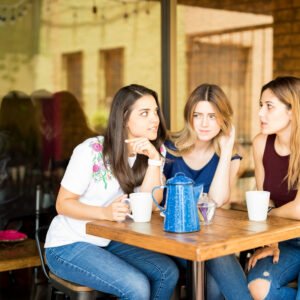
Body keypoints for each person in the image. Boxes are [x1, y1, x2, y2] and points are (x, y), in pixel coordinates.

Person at [44, 84, 179, 300]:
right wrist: (104, 213)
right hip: (69, 244)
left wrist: (154, 161)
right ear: (124, 118)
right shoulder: (91, 151)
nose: (155, 119)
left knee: (166, 273)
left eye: (155, 111)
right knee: (137, 288)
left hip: (110, 240)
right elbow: (63, 204)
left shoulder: (154, 151)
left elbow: (152, 206)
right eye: (145, 113)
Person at [163, 83, 252, 299]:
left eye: (212, 116)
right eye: (198, 115)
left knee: (212, 284)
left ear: (223, 119)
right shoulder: (169, 149)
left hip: (210, 243)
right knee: (217, 260)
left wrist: (227, 148)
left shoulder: (230, 156)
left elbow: (218, 200)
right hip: (172, 242)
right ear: (189, 116)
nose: (204, 123)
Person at [247, 76, 300, 300]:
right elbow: (263, 199)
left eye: (269, 106)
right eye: (261, 105)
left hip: (287, 232)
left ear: (292, 109)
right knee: (258, 288)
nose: (261, 113)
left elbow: (298, 210)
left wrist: (268, 215)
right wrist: (272, 238)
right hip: (286, 239)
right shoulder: (261, 143)